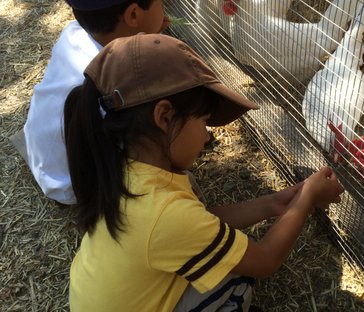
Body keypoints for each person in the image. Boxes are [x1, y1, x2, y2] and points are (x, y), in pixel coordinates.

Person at [64, 33, 345, 311]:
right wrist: (307, 197)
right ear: (164, 117)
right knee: (232, 275)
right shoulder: (165, 214)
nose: (207, 135)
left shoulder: (128, 169)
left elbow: (202, 224)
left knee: (216, 255)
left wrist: (275, 203)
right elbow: (264, 261)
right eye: (204, 121)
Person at [20, 0, 205, 204]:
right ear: (133, 16)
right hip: (72, 183)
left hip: (45, 158)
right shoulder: (122, 82)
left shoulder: (74, 34)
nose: (164, 7)